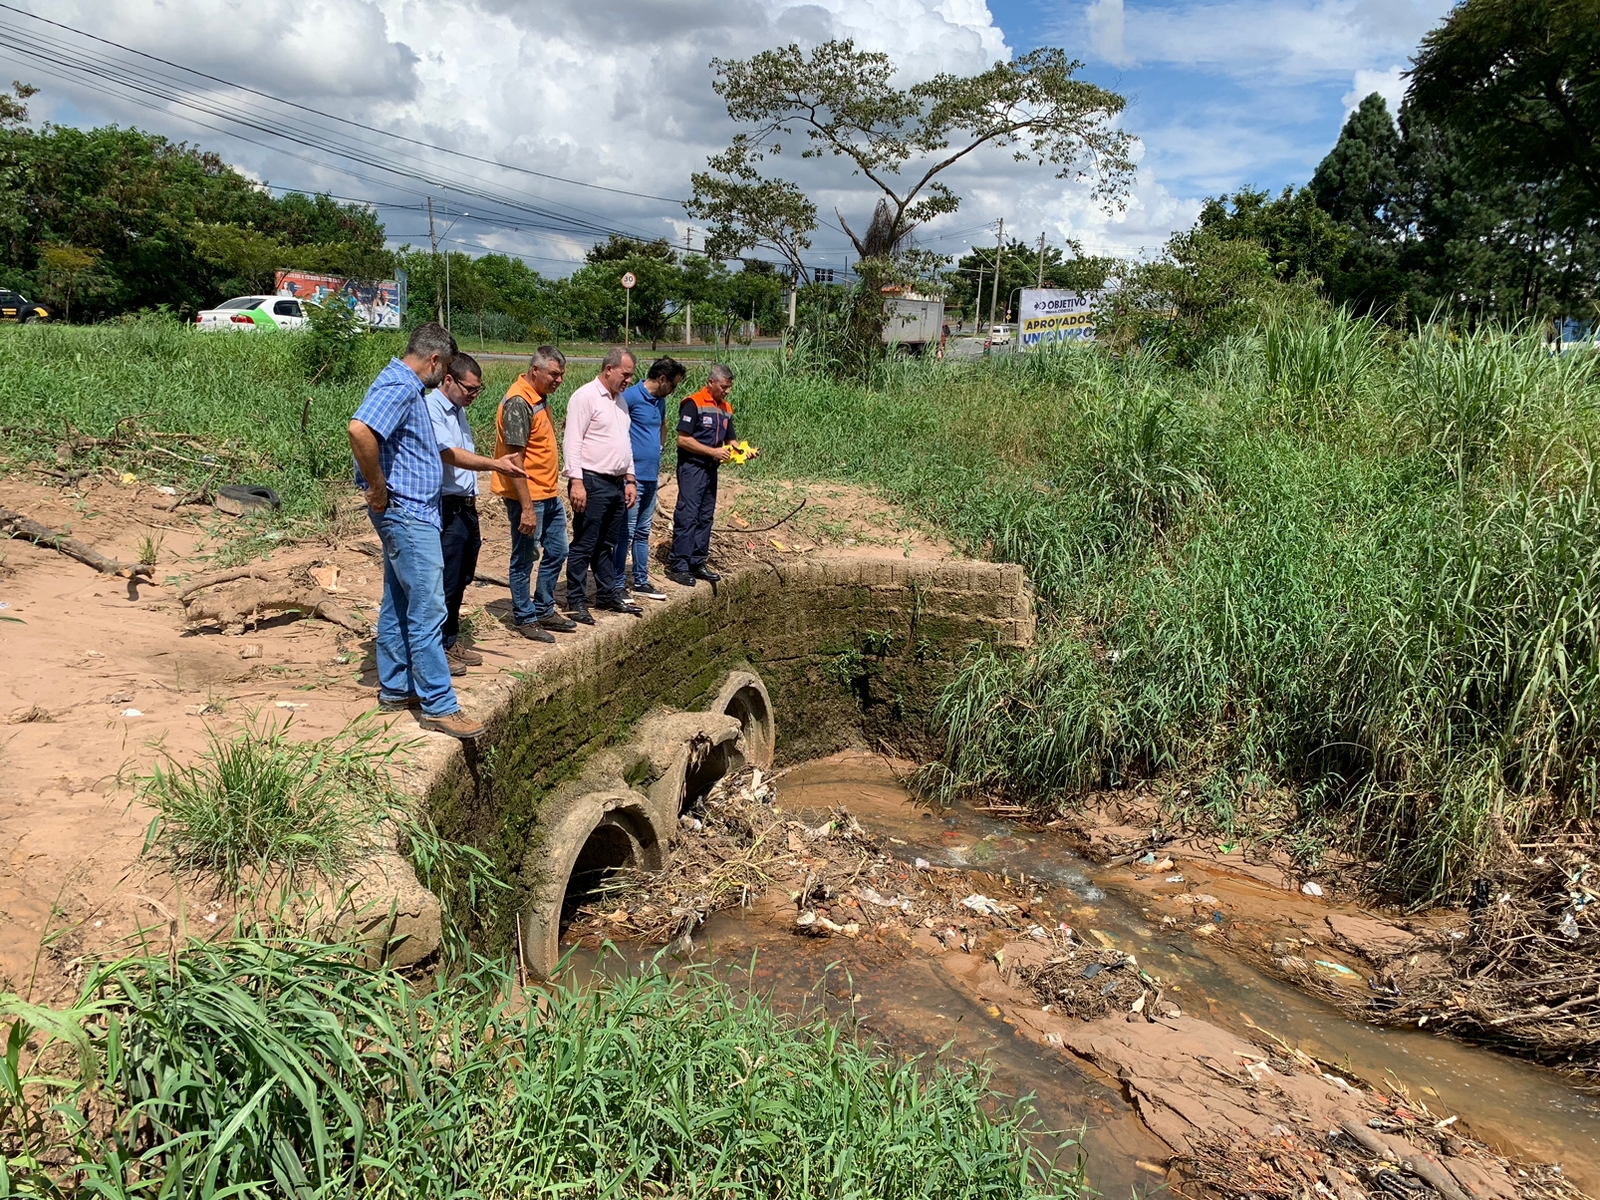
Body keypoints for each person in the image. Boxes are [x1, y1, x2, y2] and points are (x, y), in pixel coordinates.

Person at [347, 324, 524, 739]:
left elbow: (430, 450)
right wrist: (375, 487)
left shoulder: (400, 384)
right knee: (428, 609)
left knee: (398, 599)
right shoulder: (403, 385)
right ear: (434, 361)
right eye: (442, 367)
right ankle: (440, 704)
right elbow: (360, 430)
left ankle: (395, 685)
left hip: (411, 512)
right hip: (407, 513)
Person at [492, 345, 575, 643]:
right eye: (554, 374)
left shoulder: (539, 398)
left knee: (558, 549)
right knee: (525, 556)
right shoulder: (519, 401)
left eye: (561, 375)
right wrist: (526, 507)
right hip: (527, 497)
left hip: (547, 493)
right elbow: (515, 460)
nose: (559, 380)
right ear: (535, 370)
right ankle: (525, 617)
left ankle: (543, 606)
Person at [562, 347, 642, 622]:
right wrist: (576, 481)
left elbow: (625, 444)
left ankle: (607, 594)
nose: (628, 380)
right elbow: (572, 441)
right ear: (609, 369)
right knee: (585, 542)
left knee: (607, 543)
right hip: (592, 481)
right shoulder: (585, 397)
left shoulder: (619, 402)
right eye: (626, 374)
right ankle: (576, 599)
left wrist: (630, 479)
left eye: (631, 376)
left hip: (616, 483)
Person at [427, 351, 493, 669]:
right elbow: (449, 454)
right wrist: (495, 465)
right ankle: (438, 647)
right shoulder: (432, 408)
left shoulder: (458, 410)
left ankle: (450, 639)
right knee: (447, 580)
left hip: (466, 506)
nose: (474, 396)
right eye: (470, 389)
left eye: (478, 390)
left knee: (463, 576)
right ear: (449, 380)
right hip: (446, 507)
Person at [611, 355, 686, 602]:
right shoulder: (630, 397)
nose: (674, 391)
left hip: (651, 478)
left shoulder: (659, 402)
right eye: (673, 385)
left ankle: (641, 581)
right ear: (662, 379)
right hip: (632, 479)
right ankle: (617, 584)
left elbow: (662, 426)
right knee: (627, 532)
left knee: (643, 532)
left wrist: (659, 447)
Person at [668, 363, 749, 587]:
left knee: (706, 515)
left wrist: (743, 451)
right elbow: (683, 439)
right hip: (692, 467)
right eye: (724, 386)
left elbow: (731, 440)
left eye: (729, 387)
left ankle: (697, 560)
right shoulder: (693, 403)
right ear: (711, 382)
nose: (727, 391)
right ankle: (680, 565)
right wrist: (713, 451)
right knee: (688, 514)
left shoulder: (726, 408)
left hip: (711, 469)